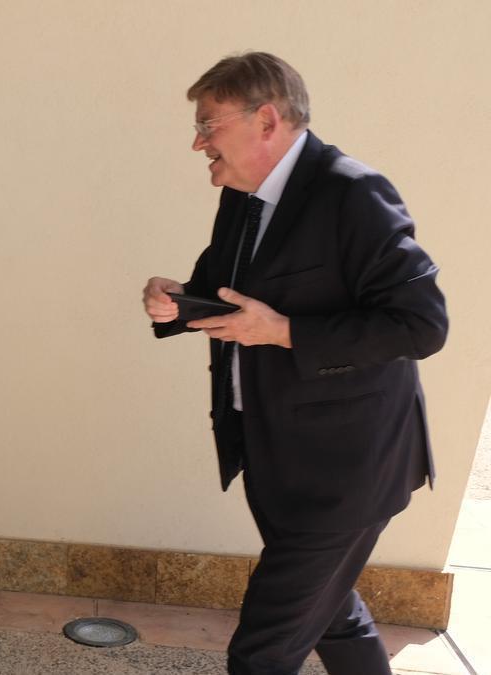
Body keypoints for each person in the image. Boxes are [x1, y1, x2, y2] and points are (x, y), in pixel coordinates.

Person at [142, 52, 447, 675]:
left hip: (346, 471)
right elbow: (222, 293)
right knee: (334, 614)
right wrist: (174, 304)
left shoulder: (353, 193)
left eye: (208, 124)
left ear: (266, 120)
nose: (198, 142)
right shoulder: (243, 194)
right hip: (273, 456)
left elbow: (422, 324)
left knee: (262, 652)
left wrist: (285, 332)